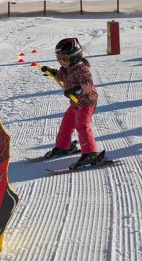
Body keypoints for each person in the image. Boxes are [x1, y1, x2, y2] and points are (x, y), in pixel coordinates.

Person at [40, 38, 104, 168]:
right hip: (75, 103)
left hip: (86, 103)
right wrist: (52, 72)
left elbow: (88, 85)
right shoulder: (67, 68)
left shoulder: (82, 70)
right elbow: (62, 76)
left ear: (74, 56)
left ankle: (90, 153)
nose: (61, 61)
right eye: (58, 58)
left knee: (82, 126)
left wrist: (77, 90)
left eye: (63, 57)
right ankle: (63, 147)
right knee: (66, 124)